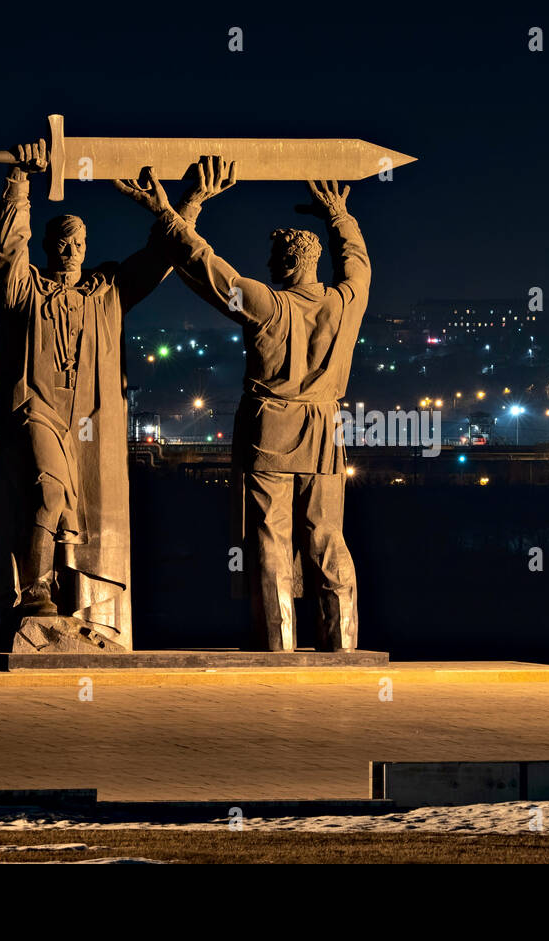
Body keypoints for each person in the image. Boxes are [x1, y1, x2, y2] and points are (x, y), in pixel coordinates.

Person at [0, 143, 232, 649]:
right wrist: (20, 180)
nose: (69, 249)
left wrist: (189, 203)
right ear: (47, 246)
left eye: (77, 241)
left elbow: (159, 257)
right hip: (37, 409)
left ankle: (76, 606)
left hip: (87, 422)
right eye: (60, 240)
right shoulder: (25, 291)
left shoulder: (107, 291)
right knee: (49, 494)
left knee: (86, 515)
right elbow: (6, 250)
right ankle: (34, 595)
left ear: (86, 247)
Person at [122, 168, 367, 652]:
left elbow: (205, 267)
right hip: (323, 431)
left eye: (277, 258)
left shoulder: (268, 305)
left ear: (292, 261)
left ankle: (278, 643)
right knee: (327, 536)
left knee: (271, 538)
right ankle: (343, 642)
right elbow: (358, 265)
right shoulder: (345, 303)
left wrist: (168, 212)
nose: (271, 265)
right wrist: (340, 216)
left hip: (271, 431)